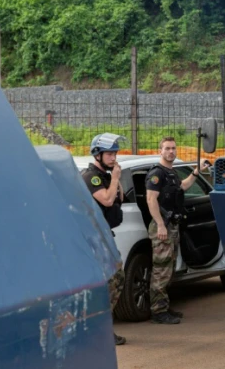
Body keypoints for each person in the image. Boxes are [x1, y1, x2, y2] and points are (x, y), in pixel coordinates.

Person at [145, 136, 210, 325]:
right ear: (160, 151)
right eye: (167, 148)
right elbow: (151, 200)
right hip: (162, 226)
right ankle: (158, 311)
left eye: (173, 148)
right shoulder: (157, 174)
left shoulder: (171, 173)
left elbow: (183, 186)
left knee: (170, 269)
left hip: (171, 225)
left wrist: (196, 172)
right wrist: (160, 224)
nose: (171, 151)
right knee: (161, 270)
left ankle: (163, 306)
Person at [81, 132, 128, 345]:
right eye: (109, 153)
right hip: (95, 236)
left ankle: (100, 328)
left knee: (115, 279)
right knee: (112, 279)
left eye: (115, 153)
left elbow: (119, 197)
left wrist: (116, 178)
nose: (114, 157)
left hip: (106, 234)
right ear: (98, 154)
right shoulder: (92, 177)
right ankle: (98, 330)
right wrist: (115, 178)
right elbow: (108, 201)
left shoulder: (107, 176)